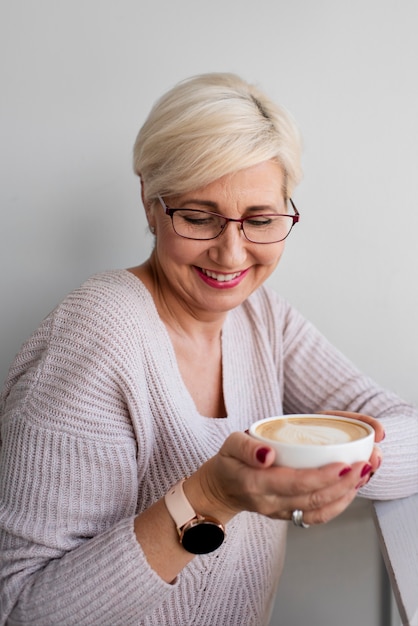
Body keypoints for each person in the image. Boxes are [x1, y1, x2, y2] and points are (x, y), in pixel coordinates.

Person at [0, 72, 417, 626]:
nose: (231, 254)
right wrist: (211, 498)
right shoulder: (96, 337)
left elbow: (404, 427)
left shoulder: (261, 317)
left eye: (261, 220)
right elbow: (24, 609)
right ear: (150, 203)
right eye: (199, 217)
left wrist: (335, 461)